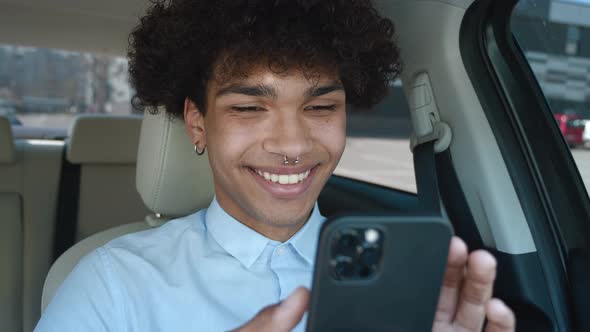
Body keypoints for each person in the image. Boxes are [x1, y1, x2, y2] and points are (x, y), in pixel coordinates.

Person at [36, 0, 516, 331]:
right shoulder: (111, 282)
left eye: (321, 107)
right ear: (197, 123)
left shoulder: (414, 284)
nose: (292, 144)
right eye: (248, 108)